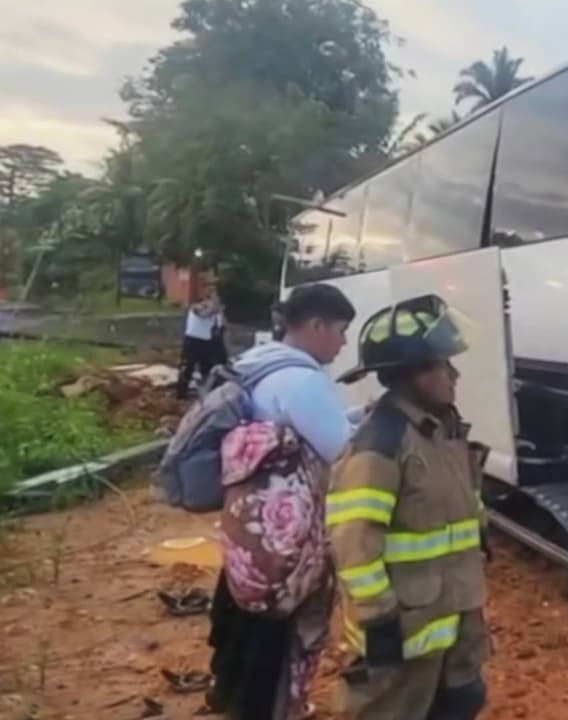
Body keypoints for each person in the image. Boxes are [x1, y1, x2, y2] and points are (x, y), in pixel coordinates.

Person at [327, 295, 491, 720]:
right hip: (403, 640)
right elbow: (353, 547)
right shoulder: (379, 446)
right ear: (411, 375)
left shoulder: (442, 431)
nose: (454, 374)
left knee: (462, 702)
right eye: (442, 364)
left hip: (453, 628)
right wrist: (378, 625)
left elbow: (462, 516)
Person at [205, 283, 363, 720]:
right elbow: (340, 451)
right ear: (315, 325)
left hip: (249, 526)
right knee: (273, 640)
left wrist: (355, 415)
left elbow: (304, 424)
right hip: (282, 544)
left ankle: (232, 698)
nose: (343, 342)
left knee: (245, 623)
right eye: (340, 330)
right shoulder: (302, 378)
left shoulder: (260, 364)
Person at [177, 288, 225, 399]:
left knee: (207, 369)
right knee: (187, 367)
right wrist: (215, 309)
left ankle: (206, 392)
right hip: (192, 340)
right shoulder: (196, 307)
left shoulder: (216, 312)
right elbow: (204, 314)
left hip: (206, 342)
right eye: (213, 299)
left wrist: (220, 315)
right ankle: (181, 393)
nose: (215, 302)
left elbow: (219, 327)